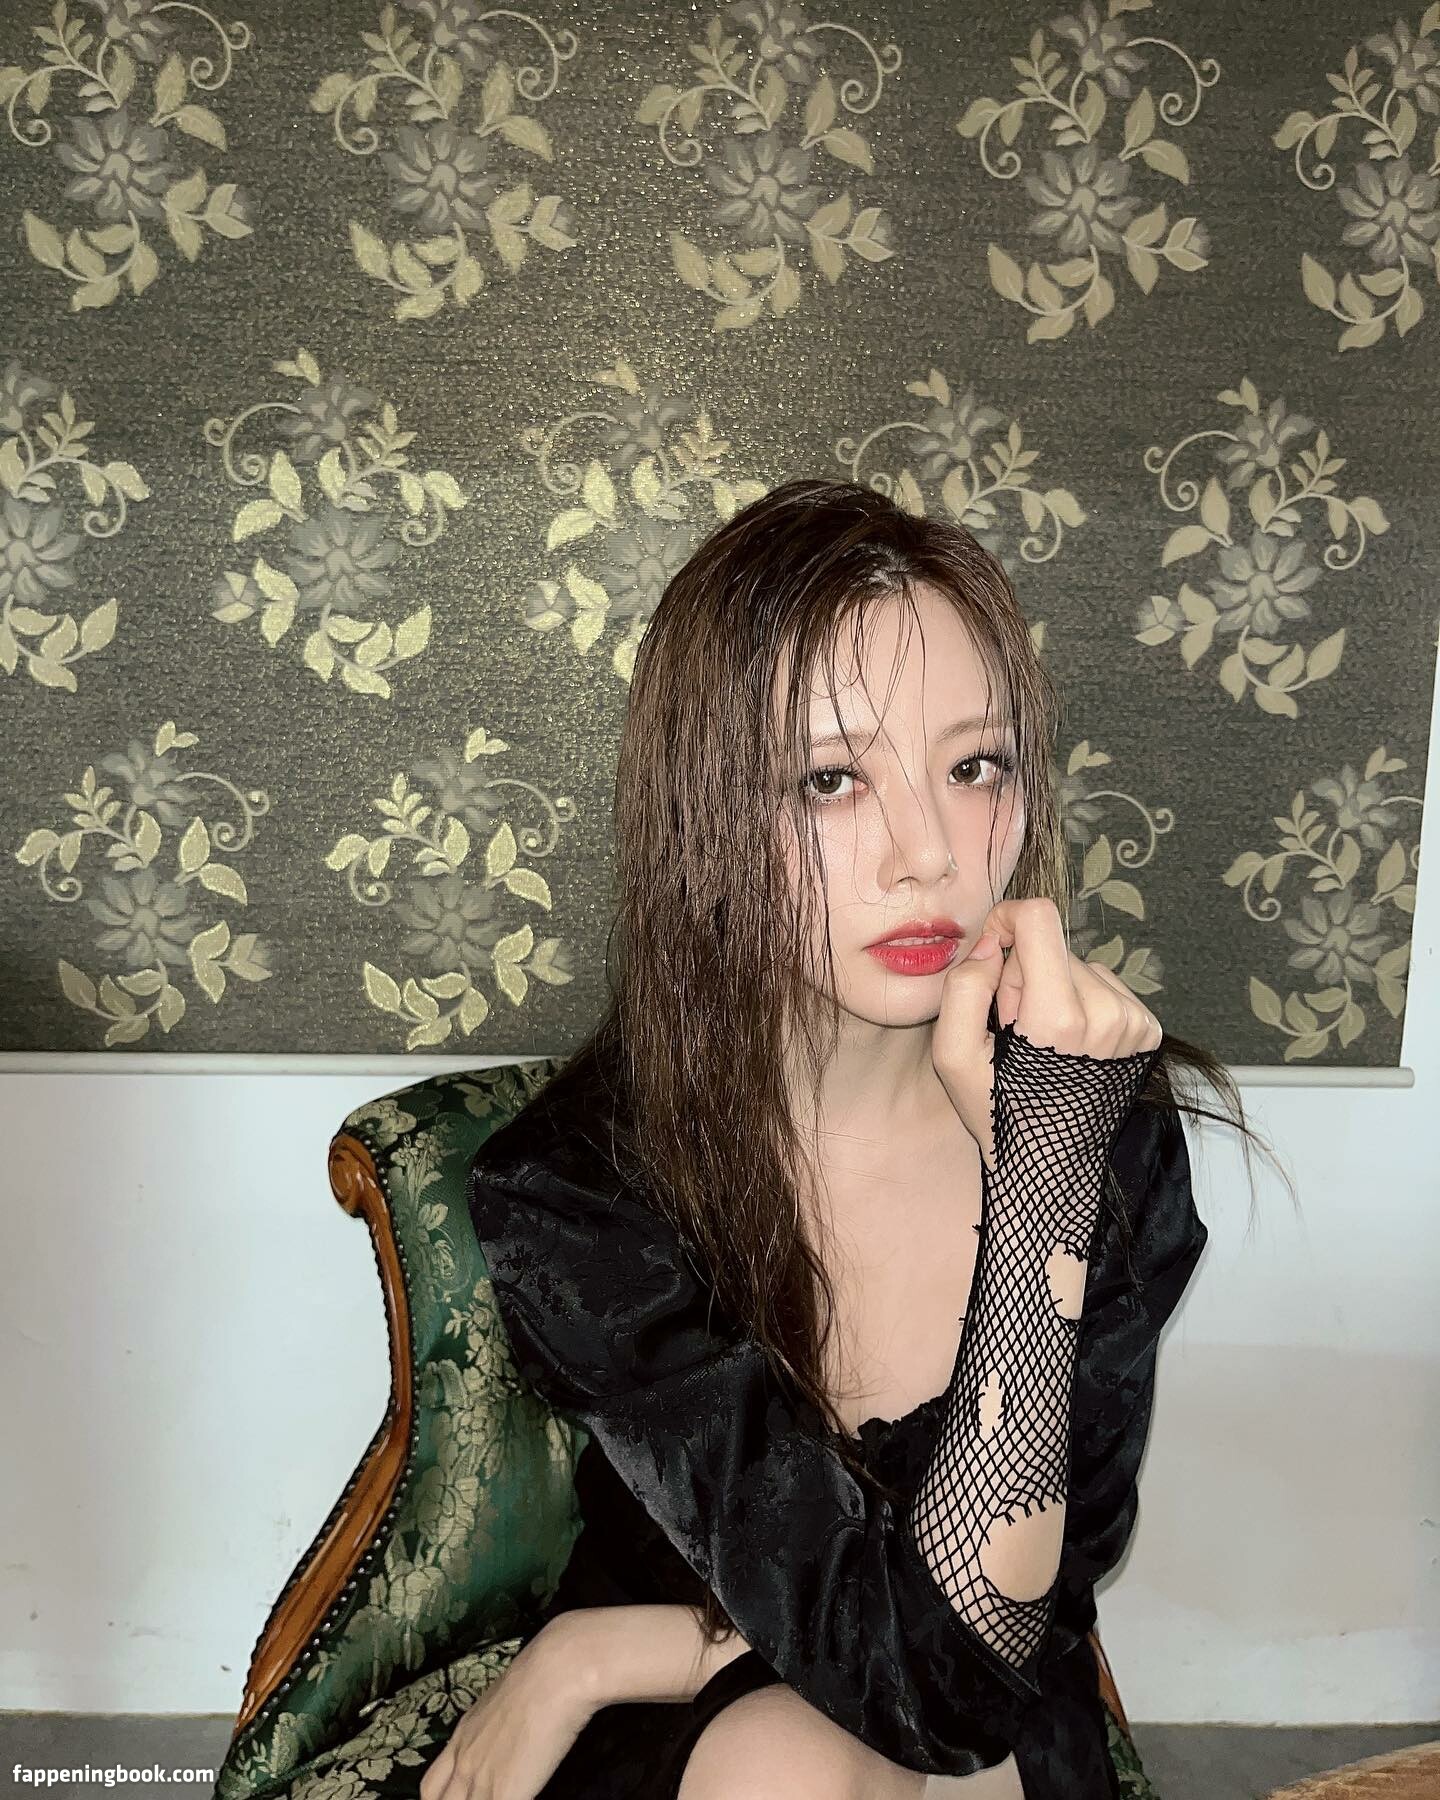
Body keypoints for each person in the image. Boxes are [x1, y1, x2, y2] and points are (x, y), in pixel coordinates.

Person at [435, 478, 1267, 1800]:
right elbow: (903, 1669)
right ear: (704, 815)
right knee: (795, 1765)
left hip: (963, 1696)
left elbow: (993, 1653)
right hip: (709, 1727)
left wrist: (1043, 1174)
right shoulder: (583, 1184)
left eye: (974, 766)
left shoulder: (1095, 1124)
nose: (925, 854)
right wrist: (620, 1652)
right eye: (830, 780)